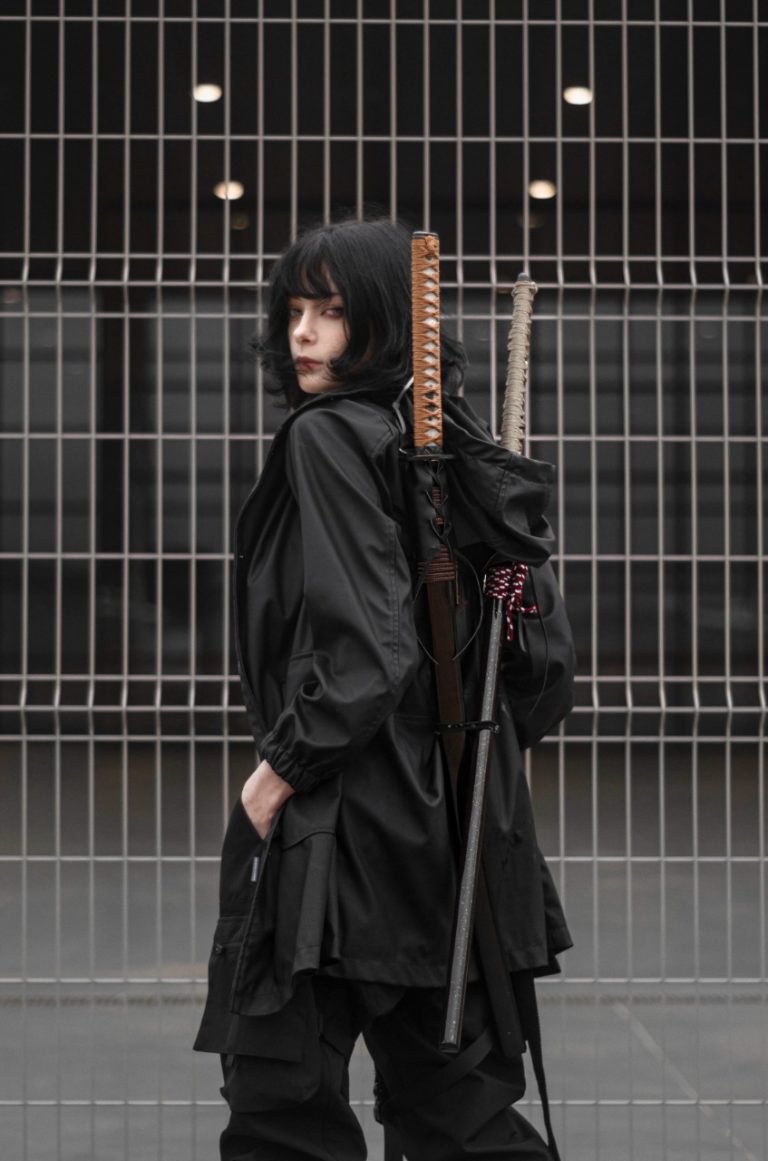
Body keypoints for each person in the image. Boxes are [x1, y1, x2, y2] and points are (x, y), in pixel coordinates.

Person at [194, 217, 575, 1161]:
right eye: (296, 309)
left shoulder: (328, 437)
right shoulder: (461, 453)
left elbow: (368, 649)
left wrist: (278, 773)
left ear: (386, 322)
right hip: (458, 836)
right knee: (456, 1113)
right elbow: (541, 667)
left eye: (331, 311)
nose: (303, 333)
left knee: (282, 1111)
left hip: (339, 835)